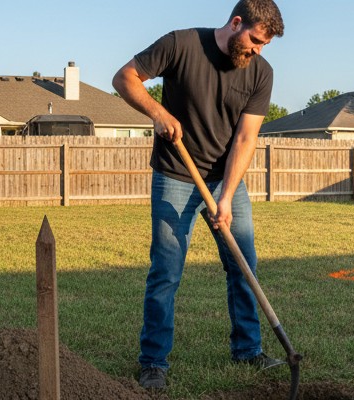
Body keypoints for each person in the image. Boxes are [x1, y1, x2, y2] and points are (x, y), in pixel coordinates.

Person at [111, 0, 284, 390]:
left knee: (243, 266)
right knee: (166, 272)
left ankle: (249, 350)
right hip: (176, 173)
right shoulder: (181, 45)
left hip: (226, 180)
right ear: (236, 22)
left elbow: (246, 137)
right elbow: (124, 78)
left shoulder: (261, 73)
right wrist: (157, 112)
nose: (257, 50)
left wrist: (225, 199)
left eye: (264, 46)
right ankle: (154, 361)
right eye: (255, 40)